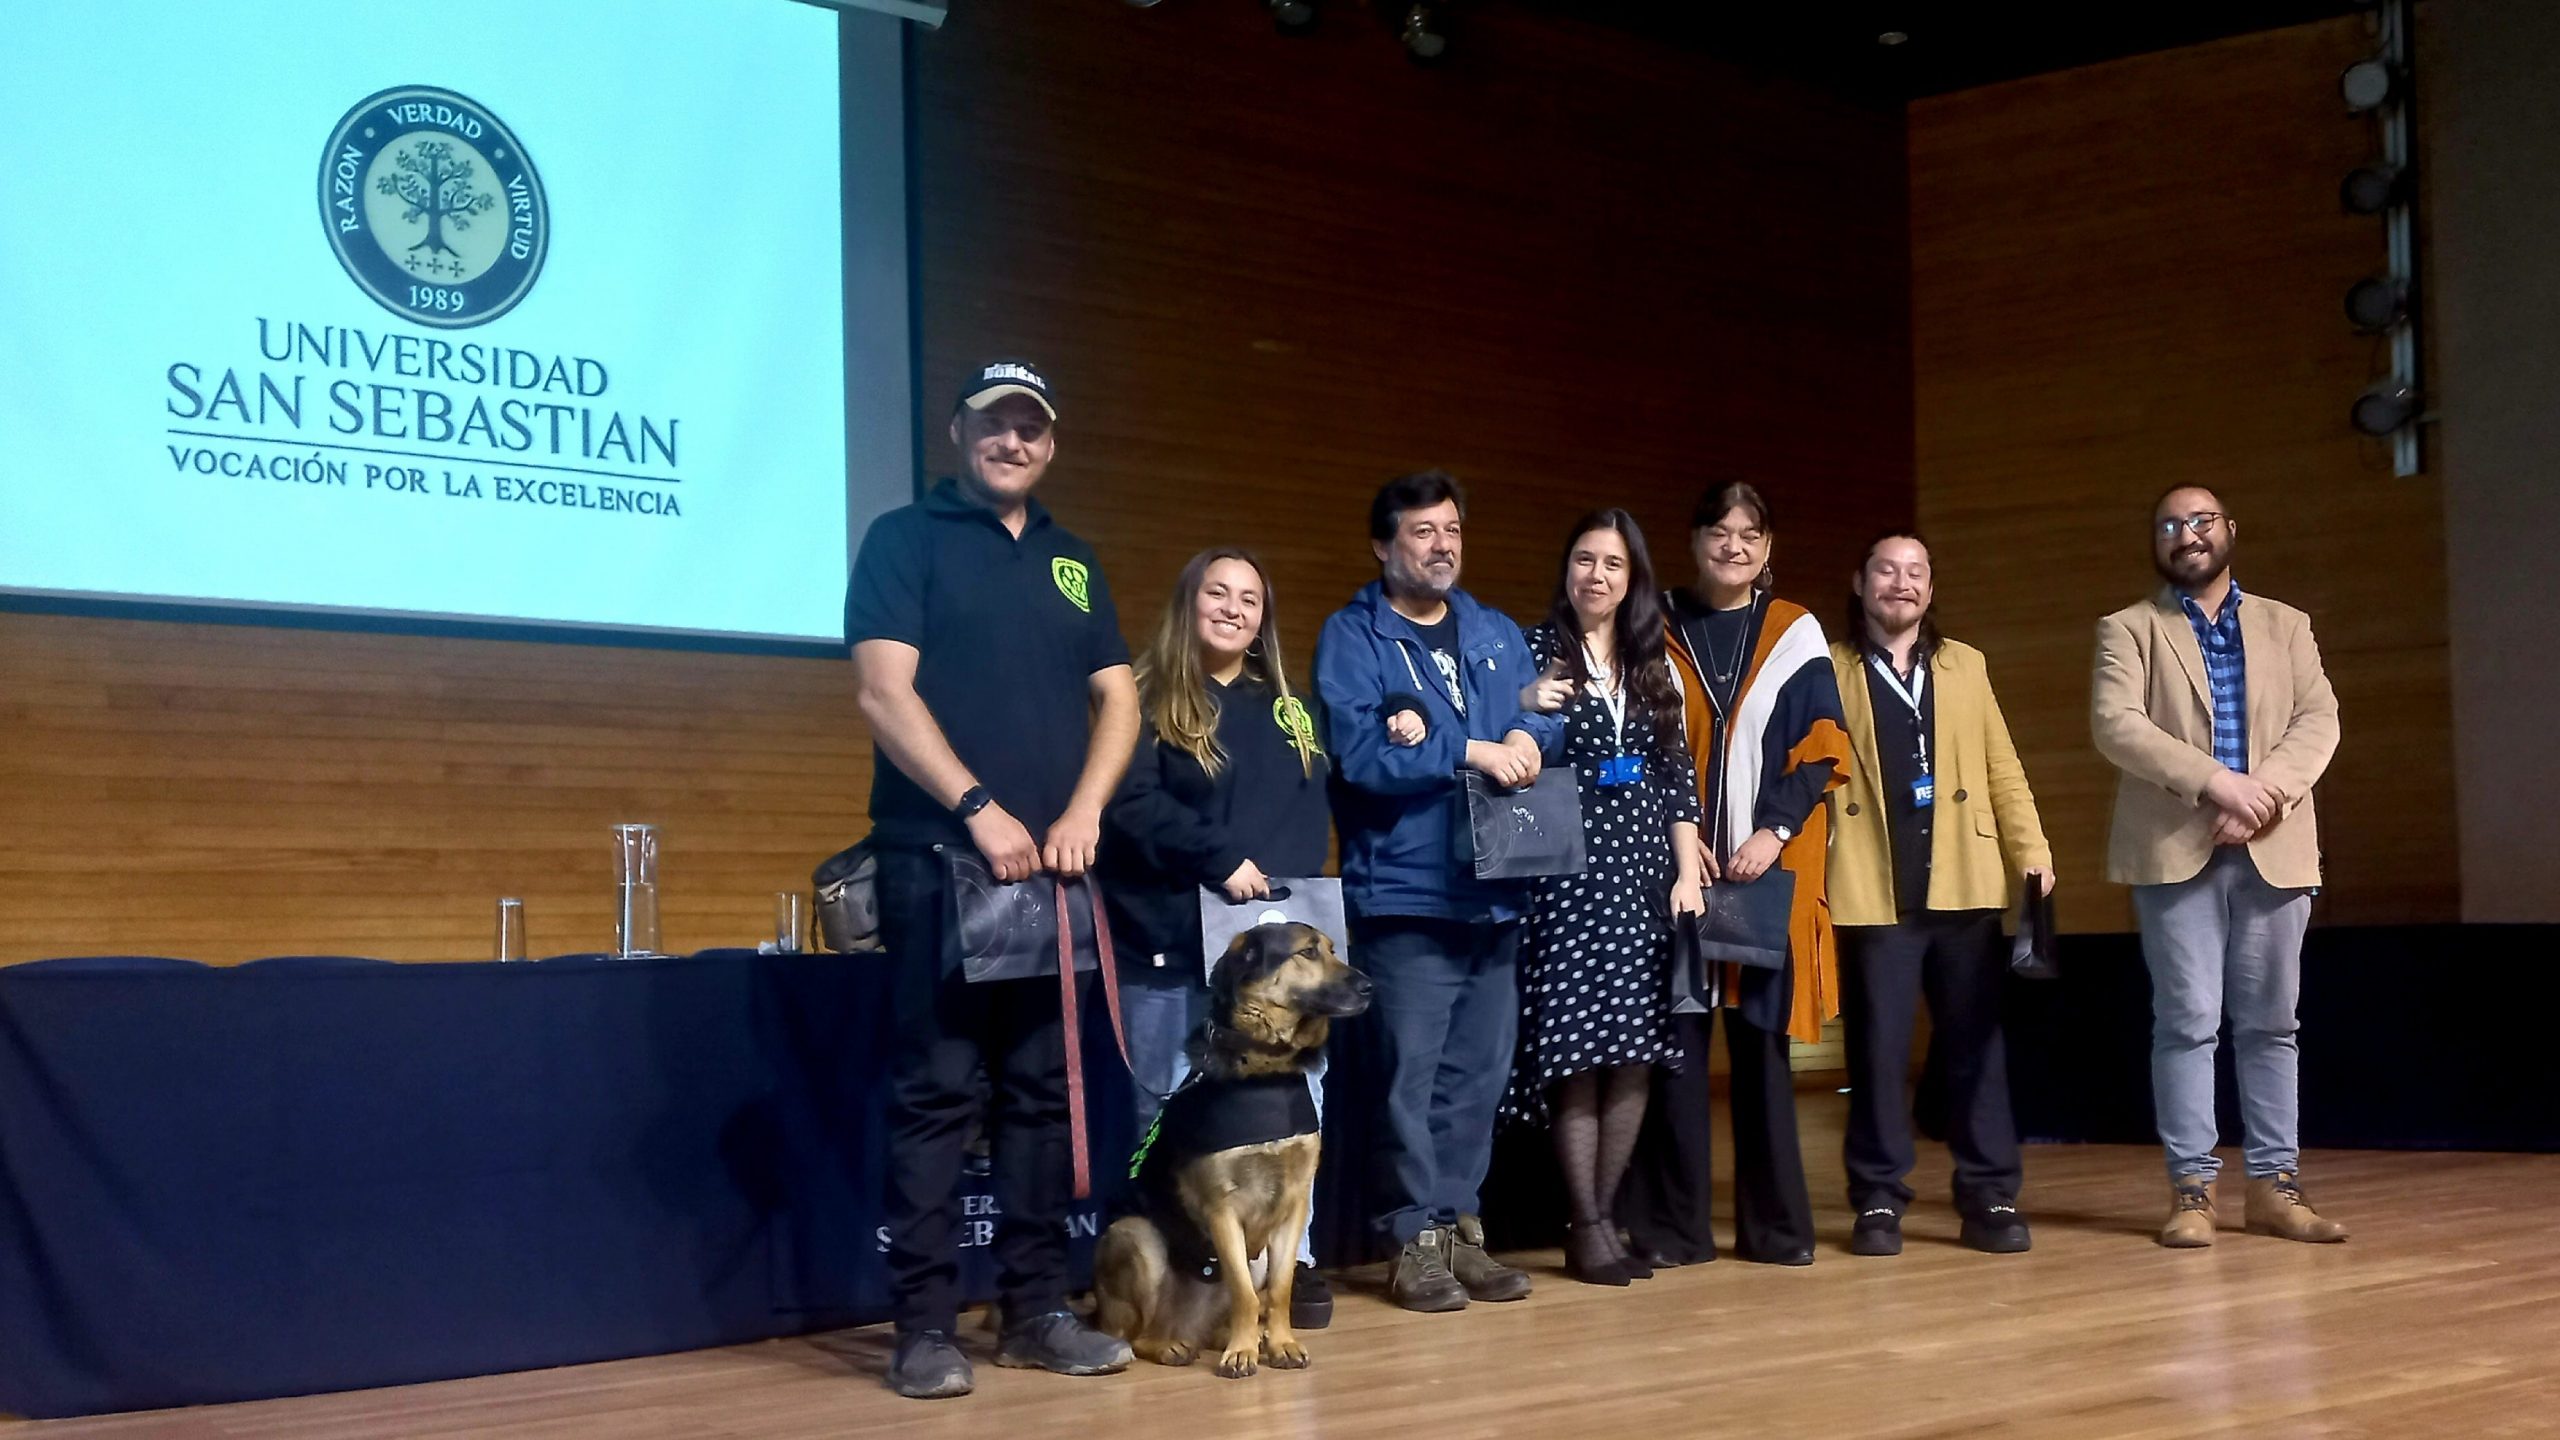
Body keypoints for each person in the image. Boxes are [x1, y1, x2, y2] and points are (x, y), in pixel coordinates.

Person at [844, 360, 1142, 1399]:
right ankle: (923, 1329)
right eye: (993, 426)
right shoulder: (902, 539)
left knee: (1039, 1097)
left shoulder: (1074, 560)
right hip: (938, 865)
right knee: (935, 1098)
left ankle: (1033, 1313)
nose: (1011, 443)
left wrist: (1084, 812)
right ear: (959, 434)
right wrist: (978, 808)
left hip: (1053, 875)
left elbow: (1118, 701)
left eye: (1030, 429)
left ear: (1049, 443)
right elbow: (884, 694)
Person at [1313, 469, 1564, 1312]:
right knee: (1406, 1080)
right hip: (1408, 894)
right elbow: (1361, 756)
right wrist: (1470, 750)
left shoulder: (1492, 630)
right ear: (1385, 546)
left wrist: (1526, 736)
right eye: (1422, 532)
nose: (1442, 544)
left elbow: (1541, 710)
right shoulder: (1355, 638)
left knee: (1478, 1078)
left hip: (1495, 887)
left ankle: (1462, 1230)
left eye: (1451, 528)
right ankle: (1410, 1239)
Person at [2092, 485, 2346, 1248]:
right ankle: (2193, 1192)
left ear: (2229, 530)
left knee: (2272, 1025)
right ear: (2158, 542)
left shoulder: (2286, 624)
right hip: (2174, 847)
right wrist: (2218, 783)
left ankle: (2274, 1188)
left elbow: (2319, 719)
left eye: (2201, 521)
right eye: (2170, 525)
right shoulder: (2127, 629)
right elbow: (2117, 725)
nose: (2186, 535)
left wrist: (2261, 796)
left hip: (2275, 844)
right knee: (2188, 1022)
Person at [1097, 546, 1336, 1327]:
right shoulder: (1142, 694)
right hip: (1168, 947)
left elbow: (1303, 822)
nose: (1234, 609)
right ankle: (1180, 1277)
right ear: (1186, 602)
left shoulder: (1289, 709)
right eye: (1217, 593)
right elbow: (1126, 806)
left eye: (1251, 600)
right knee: (1170, 1115)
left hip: (1269, 964)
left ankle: (1283, 1275)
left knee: (1291, 1115)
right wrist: (1220, 858)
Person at [1619, 481, 1850, 1269]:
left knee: (1760, 1052)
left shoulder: (1796, 633)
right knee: (1678, 1052)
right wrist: (1678, 840)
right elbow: (1633, 742)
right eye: (1720, 531)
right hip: (1674, 873)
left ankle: (1777, 1230)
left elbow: (1822, 745)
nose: (1735, 546)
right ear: (1694, 541)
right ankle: (1677, 1230)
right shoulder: (1654, 626)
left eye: (1751, 534)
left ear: (1769, 548)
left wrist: (1771, 832)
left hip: (1762, 873)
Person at [1827, 531, 2054, 1258]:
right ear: (1860, 583)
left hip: (1964, 882)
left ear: (1931, 587)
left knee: (1975, 1050)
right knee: (1878, 1052)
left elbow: (2003, 767)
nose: (1902, 583)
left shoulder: (1965, 666)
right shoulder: (1828, 669)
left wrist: (2034, 854)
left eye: (1916, 572)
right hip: (1873, 886)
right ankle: (1878, 1200)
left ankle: (1989, 1192)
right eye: (1886, 570)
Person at [1506, 509, 1705, 1286]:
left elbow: (1679, 780)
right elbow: (1505, 729)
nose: (1597, 575)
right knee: (1575, 1054)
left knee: (1632, 1058)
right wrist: (1524, 697)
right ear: (1567, 570)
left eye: (1613, 565)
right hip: (1564, 877)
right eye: (1585, 560)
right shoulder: (1536, 649)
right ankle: (1584, 1223)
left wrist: (1687, 874)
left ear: (1633, 580)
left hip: (1644, 880)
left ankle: (1604, 1213)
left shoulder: (1655, 662)